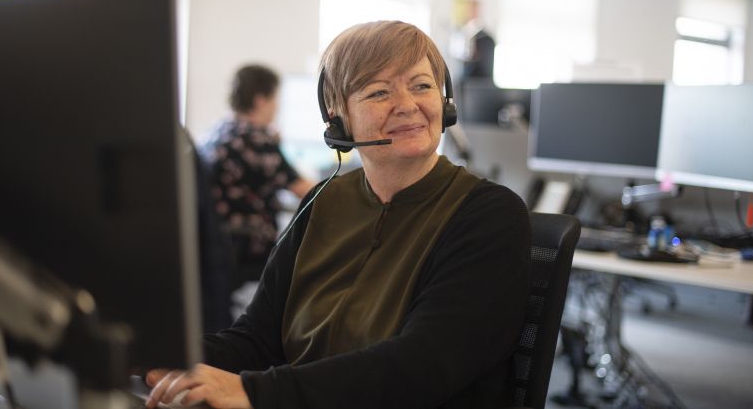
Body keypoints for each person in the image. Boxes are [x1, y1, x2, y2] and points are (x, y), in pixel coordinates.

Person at [146, 21, 530, 409]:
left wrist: (254, 392)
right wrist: (159, 357)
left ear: (444, 101)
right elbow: (258, 340)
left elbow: (422, 367)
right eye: (379, 91)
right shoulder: (323, 202)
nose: (408, 105)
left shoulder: (488, 215)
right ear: (338, 116)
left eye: (421, 85)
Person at [200, 65, 314, 311]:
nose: (277, 106)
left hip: (221, 244)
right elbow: (307, 190)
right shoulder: (255, 139)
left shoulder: (220, 129)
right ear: (261, 100)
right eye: (276, 99)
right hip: (246, 249)